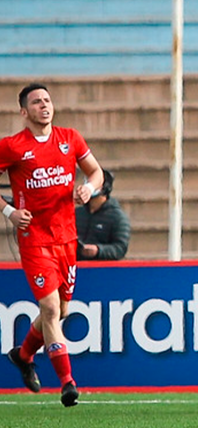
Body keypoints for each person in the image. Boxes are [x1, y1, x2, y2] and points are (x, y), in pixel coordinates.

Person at [2, 83, 104, 407]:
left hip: (66, 238)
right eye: (36, 102)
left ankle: (23, 354)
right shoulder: (13, 146)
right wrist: (9, 211)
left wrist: (88, 188)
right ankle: (67, 383)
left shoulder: (70, 138)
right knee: (49, 309)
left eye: (47, 100)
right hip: (35, 240)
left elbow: (96, 172)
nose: (44, 105)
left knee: (61, 310)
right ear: (24, 112)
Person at [75, 168, 131, 261]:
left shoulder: (117, 217)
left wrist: (98, 250)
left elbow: (120, 248)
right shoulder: (77, 213)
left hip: (102, 268)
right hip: (75, 267)